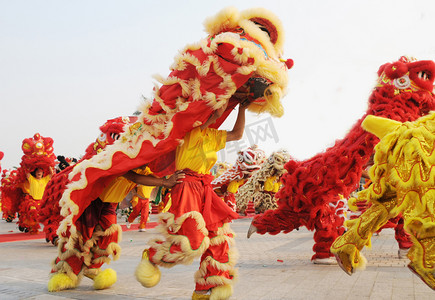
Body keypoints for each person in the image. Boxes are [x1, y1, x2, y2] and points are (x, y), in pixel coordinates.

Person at [135, 101, 247, 300]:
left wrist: (242, 109)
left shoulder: (213, 136)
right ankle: (152, 255)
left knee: (218, 238)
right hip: (185, 186)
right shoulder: (186, 133)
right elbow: (204, 120)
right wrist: (216, 110)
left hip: (205, 189)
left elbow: (237, 134)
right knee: (191, 240)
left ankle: (205, 288)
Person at [47, 167, 184, 292]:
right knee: (81, 237)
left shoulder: (146, 165)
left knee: (110, 235)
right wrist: (165, 182)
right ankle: (65, 272)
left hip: (108, 204)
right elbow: (134, 177)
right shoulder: (123, 157)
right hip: (92, 200)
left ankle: (92, 269)